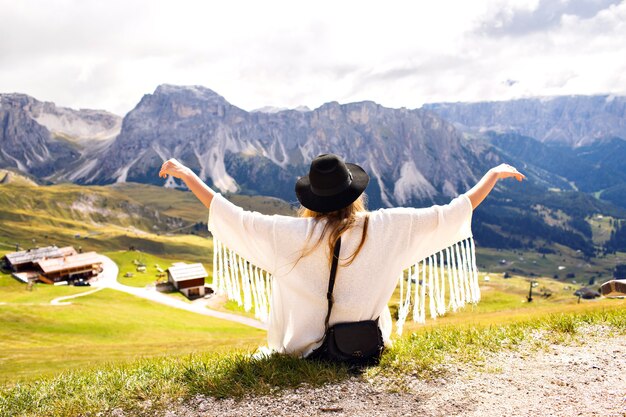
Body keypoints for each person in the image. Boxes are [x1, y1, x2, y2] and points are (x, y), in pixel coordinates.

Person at [159, 154, 524, 358]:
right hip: (365, 348)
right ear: (354, 194)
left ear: (311, 200)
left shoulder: (289, 235)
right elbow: (453, 211)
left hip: (307, 353)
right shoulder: (390, 226)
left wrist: (189, 174)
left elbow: (232, 217)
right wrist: (492, 174)